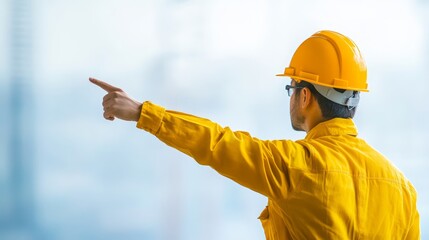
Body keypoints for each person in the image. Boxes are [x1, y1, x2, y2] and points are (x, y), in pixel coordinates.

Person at [90, 30, 420, 239]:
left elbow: (217, 144)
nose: (290, 96)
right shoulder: (402, 189)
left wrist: (141, 112)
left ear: (305, 96)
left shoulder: (297, 167)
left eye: (291, 87)